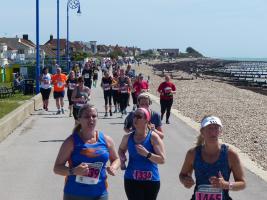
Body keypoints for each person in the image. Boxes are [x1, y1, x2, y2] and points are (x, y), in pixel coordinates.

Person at [54, 104, 120, 200]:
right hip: (74, 194)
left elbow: (116, 159)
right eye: (87, 116)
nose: (91, 119)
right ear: (79, 119)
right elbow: (57, 168)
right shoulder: (71, 141)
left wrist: (113, 167)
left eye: (94, 116)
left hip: (100, 193)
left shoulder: (106, 139)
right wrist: (74, 171)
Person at [179, 115, 246, 200]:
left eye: (216, 128)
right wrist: (185, 180)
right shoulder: (193, 154)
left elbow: (242, 183)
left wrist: (226, 185)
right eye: (209, 128)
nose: (213, 132)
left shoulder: (230, 154)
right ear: (202, 131)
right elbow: (182, 175)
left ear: (220, 131)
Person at [118, 107, 166, 200]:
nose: (135, 118)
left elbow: (162, 159)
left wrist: (147, 154)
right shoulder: (128, 137)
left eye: (139, 116)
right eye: (134, 116)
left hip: (151, 181)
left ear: (146, 120)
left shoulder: (153, 137)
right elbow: (121, 149)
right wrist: (122, 159)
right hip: (131, 179)